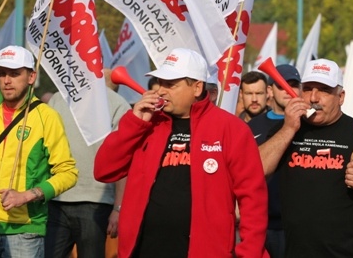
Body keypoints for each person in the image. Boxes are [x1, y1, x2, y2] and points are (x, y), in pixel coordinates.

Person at [94, 48, 269, 258]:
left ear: (196, 88)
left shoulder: (231, 128)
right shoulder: (145, 123)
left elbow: (253, 199)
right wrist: (135, 122)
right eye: (160, 83)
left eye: (171, 84)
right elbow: (103, 170)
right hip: (142, 251)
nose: (160, 90)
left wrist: (249, 253)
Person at [259, 58, 353, 258]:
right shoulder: (285, 130)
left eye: (324, 90)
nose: (314, 98)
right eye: (307, 89)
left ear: (341, 97)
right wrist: (289, 128)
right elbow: (255, 171)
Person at [0, 45, 78, 258]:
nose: (7, 80)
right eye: (2, 74)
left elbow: (68, 172)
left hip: (25, 230)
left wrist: (28, 195)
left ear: (31, 77)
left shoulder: (47, 116)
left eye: (14, 73)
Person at [44, 74, 131, 258]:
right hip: (56, 201)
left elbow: (123, 162)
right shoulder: (58, 99)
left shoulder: (116, 103)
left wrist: (118, 208)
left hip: (96, 204)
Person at [248, 64, 301, 258]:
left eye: (294, 85)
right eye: (282, 85)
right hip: (263, 224)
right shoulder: (253, 126)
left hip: (298, 224)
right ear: (270, 90)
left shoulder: (309, 125)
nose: (289, 91)